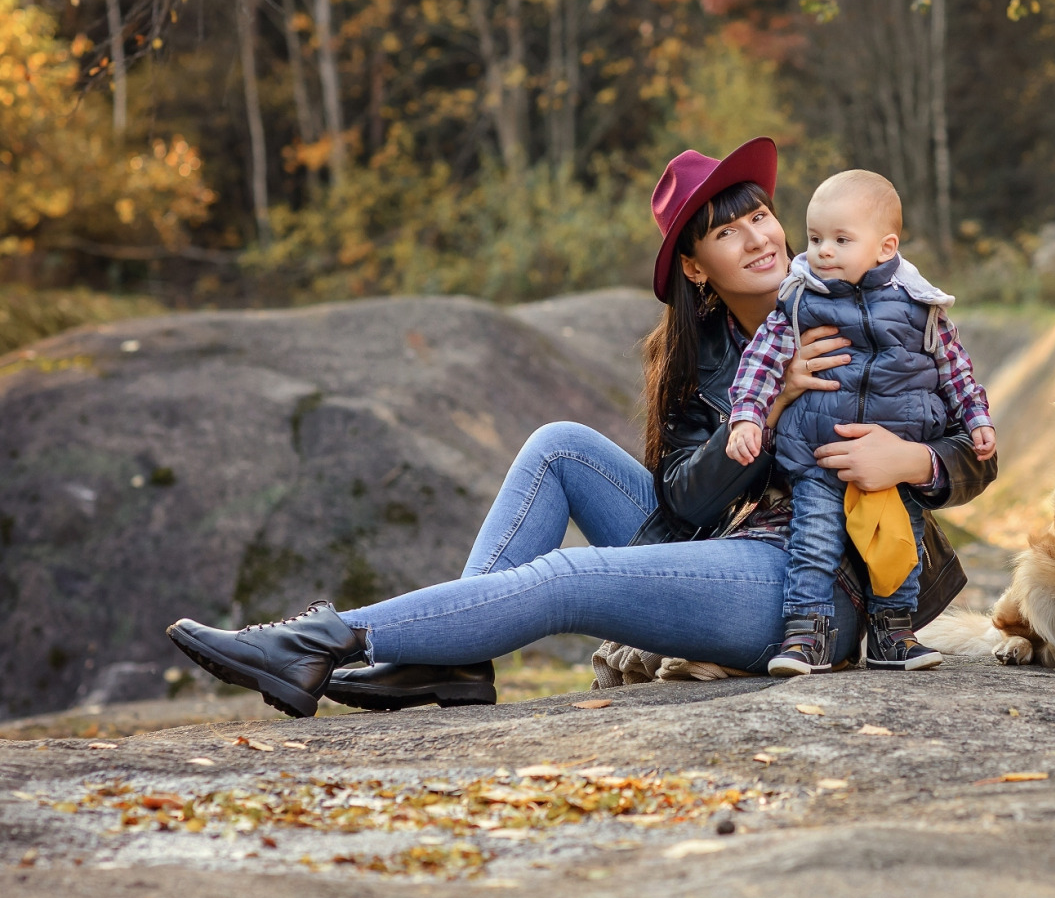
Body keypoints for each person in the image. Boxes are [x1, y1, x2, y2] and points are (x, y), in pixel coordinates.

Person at [164, 138, 997, 719]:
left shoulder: (861, 292)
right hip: (718, 545)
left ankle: (328, 640)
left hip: (813, 589)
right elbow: (683, 502)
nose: (757, 237)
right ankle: (451, 664)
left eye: (759, 216)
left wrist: (913, 458)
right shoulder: (691, 352)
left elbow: (972, 445)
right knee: (558, 444)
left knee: (568, 576)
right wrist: (768, 405)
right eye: (724, 229)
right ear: (696, 269)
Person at [726, 170, 996, 676]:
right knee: (814, 542)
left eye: (841, 240)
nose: (823, 251)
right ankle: (806, 636)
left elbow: (953, 367)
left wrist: (975, 417)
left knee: (897, 546)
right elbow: (761, 363)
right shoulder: (800, 299)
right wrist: (748, 417)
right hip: (819, 455)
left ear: (884, 246)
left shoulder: (920, 303)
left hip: (897, 457)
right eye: (814, 238)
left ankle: (893, 635)